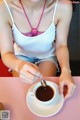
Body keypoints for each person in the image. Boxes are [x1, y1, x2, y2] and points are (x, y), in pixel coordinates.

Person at [0, 0, 76, 100]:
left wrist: (66, 70)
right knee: (25, 95)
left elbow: (61, 45)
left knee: (43, 95)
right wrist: (19, 65)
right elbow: (6, 53)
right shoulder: (4, 7)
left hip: (47, 56)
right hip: (20, 57)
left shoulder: (63, 6)